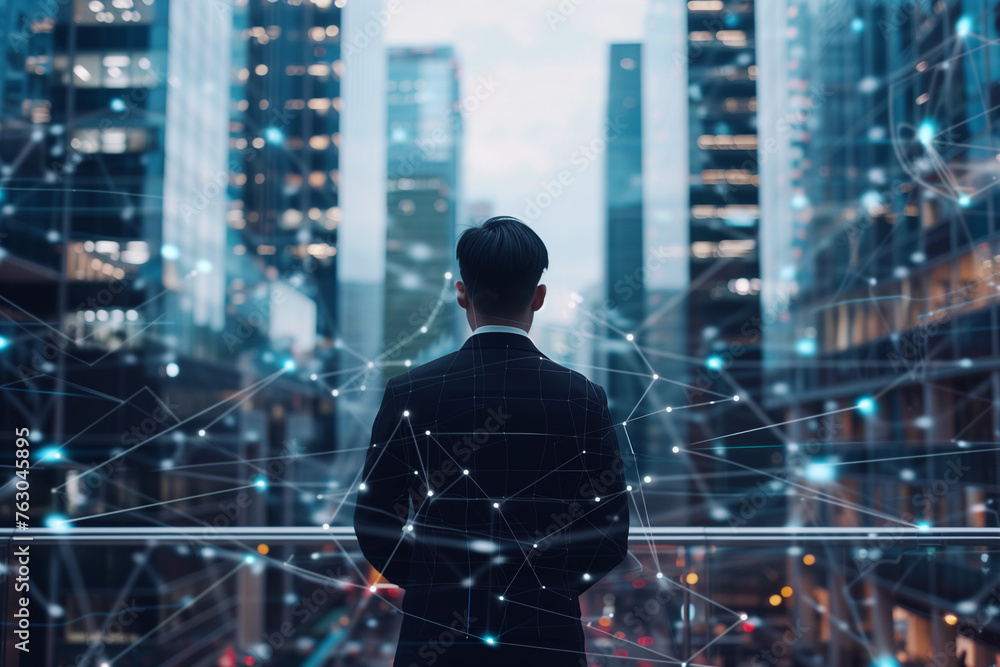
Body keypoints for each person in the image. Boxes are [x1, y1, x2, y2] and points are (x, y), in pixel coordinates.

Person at [354, 216, 630, 667]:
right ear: (539, 297)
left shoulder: (411, 391)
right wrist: (547, 587)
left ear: (462, 292)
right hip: (545, 638)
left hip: (436, 636)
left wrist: (434, 584)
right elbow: (611, 532)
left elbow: (373, 520)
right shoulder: (582, 397)